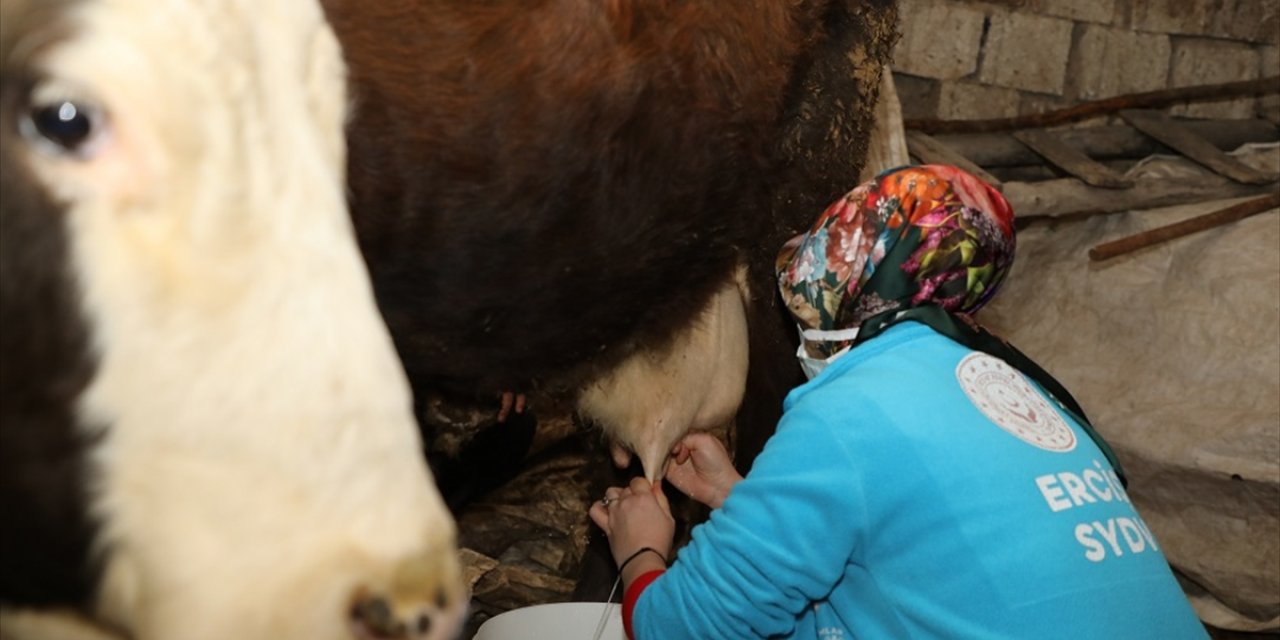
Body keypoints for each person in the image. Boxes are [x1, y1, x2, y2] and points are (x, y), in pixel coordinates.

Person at [588, 165, 1208, 639]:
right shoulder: (1015, 389)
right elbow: (910, 536)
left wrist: (641, 548)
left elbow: (685, 628)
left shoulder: (850, 405)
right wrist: (739, 497)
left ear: (843, 286)